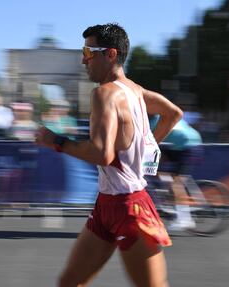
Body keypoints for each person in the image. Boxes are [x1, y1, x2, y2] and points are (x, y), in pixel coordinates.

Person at [36, 23, 182, 287]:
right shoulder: (136, 91)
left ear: (111, 54)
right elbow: (173, 113)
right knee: (69, 282)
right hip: (107, 204)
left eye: (88, 52)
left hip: (130, 208)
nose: (83, 60)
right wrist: (148, 143)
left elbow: (102, 154)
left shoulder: (104, 94)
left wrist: (56, 141)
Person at [150, 115, 203, 231]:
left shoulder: (149, 122)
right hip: (182, 145)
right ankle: (171, 194)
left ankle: (185, 219)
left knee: (176, 184)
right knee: (159, 169)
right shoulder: (159, 114)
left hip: (187, 146)